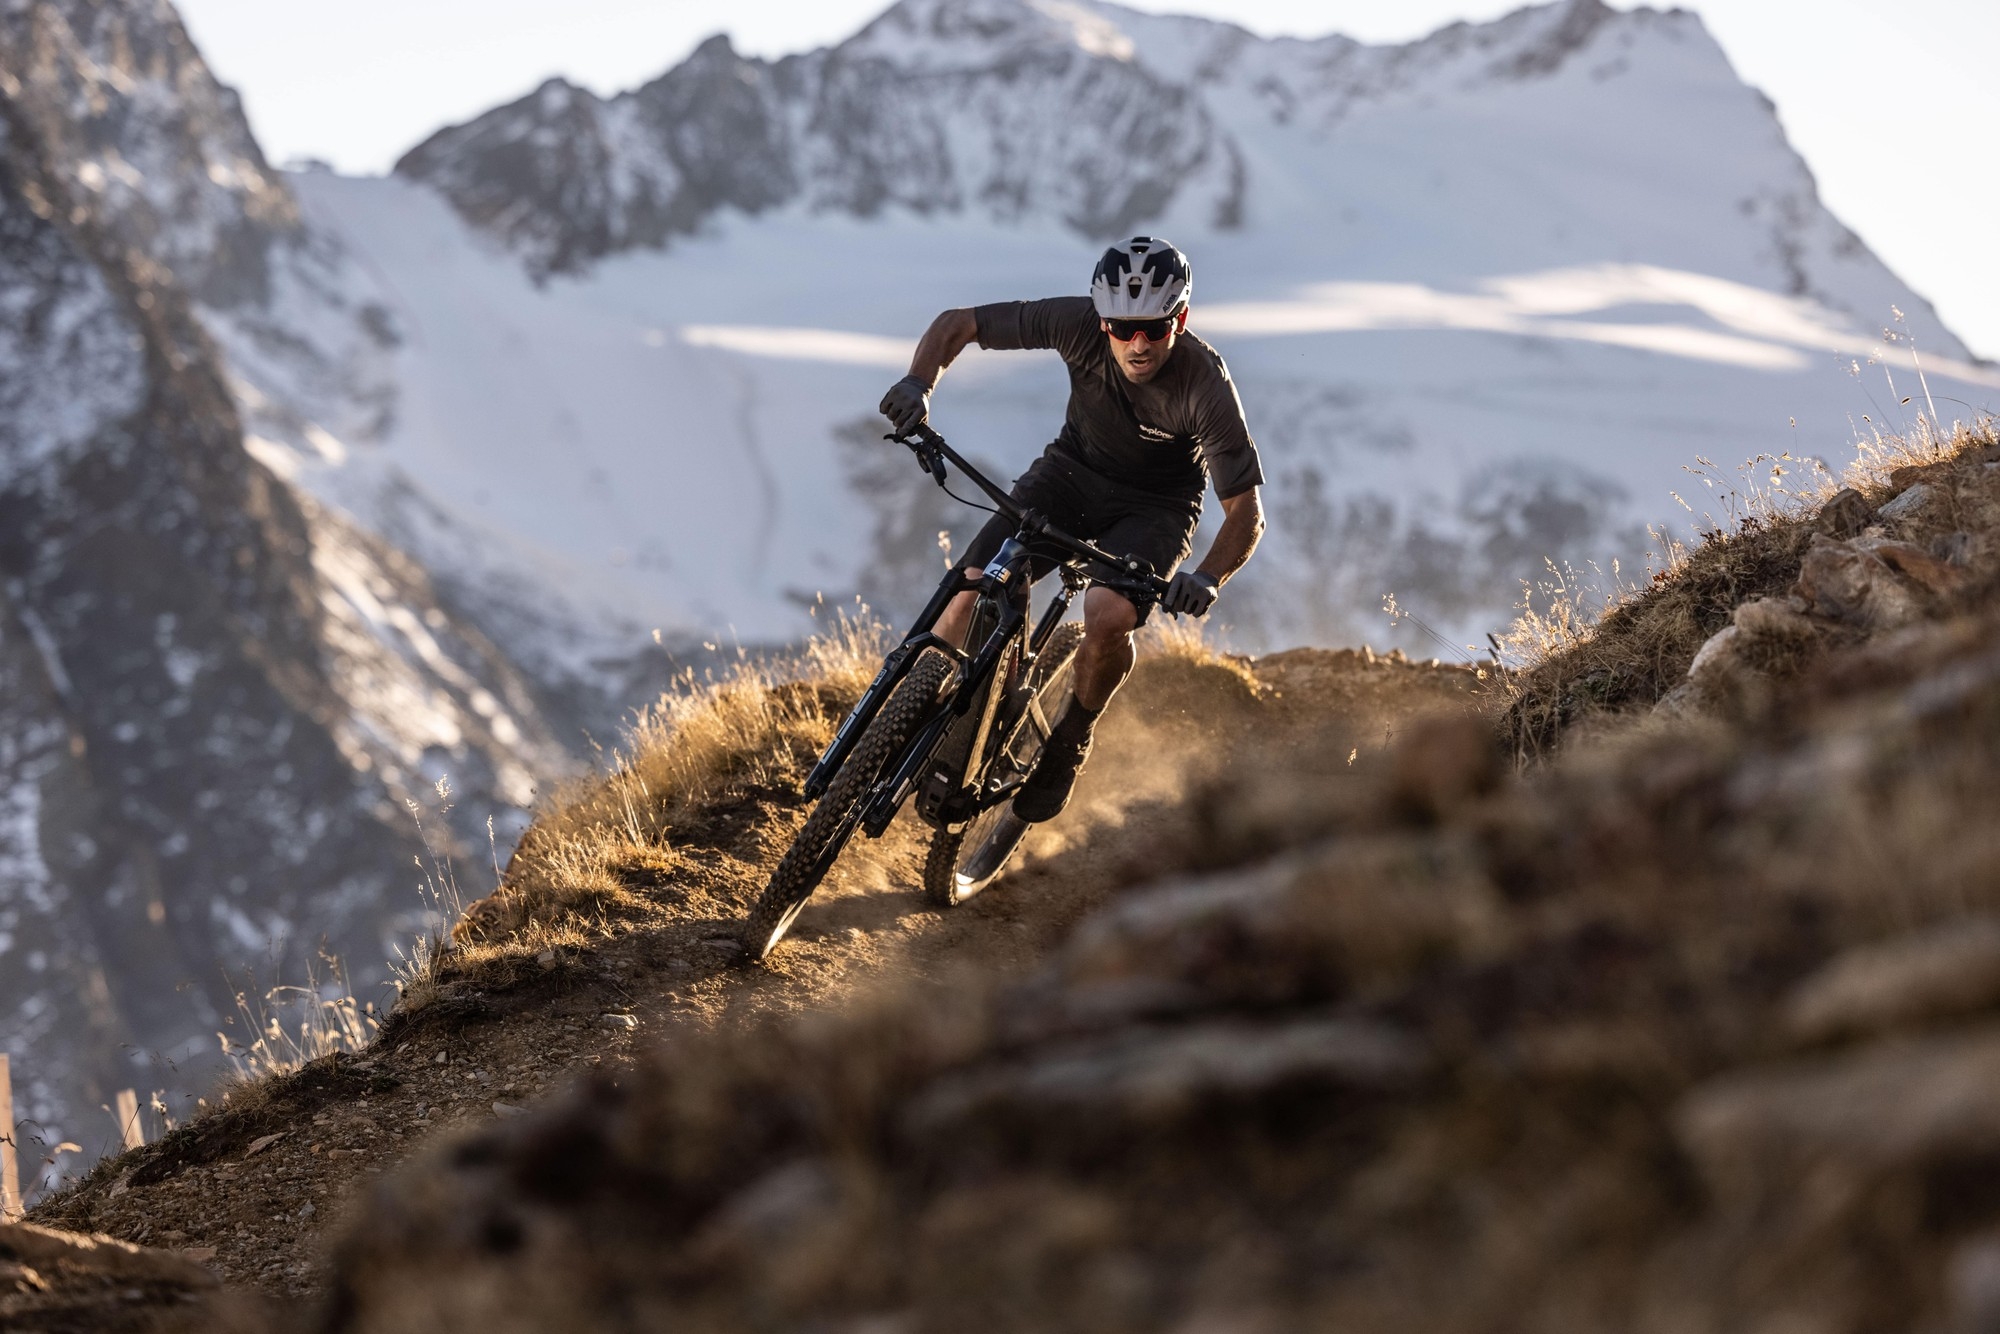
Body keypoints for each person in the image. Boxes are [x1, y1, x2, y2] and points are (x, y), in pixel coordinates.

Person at [878, 236, 1265, 826]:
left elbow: (1245, 513)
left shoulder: (1204, 385)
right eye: (1121, 326)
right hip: (1069, 475)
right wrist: (918, 383)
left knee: (1108, 615)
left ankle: (1068, 744)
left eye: (1156, 330)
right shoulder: (1075, 323)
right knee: (969, 592)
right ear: (1101, 319)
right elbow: (959, 325)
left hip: (1155, 508)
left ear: (1180, 320)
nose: (1137, 344)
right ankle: (930, 721)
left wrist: (1208, 576)